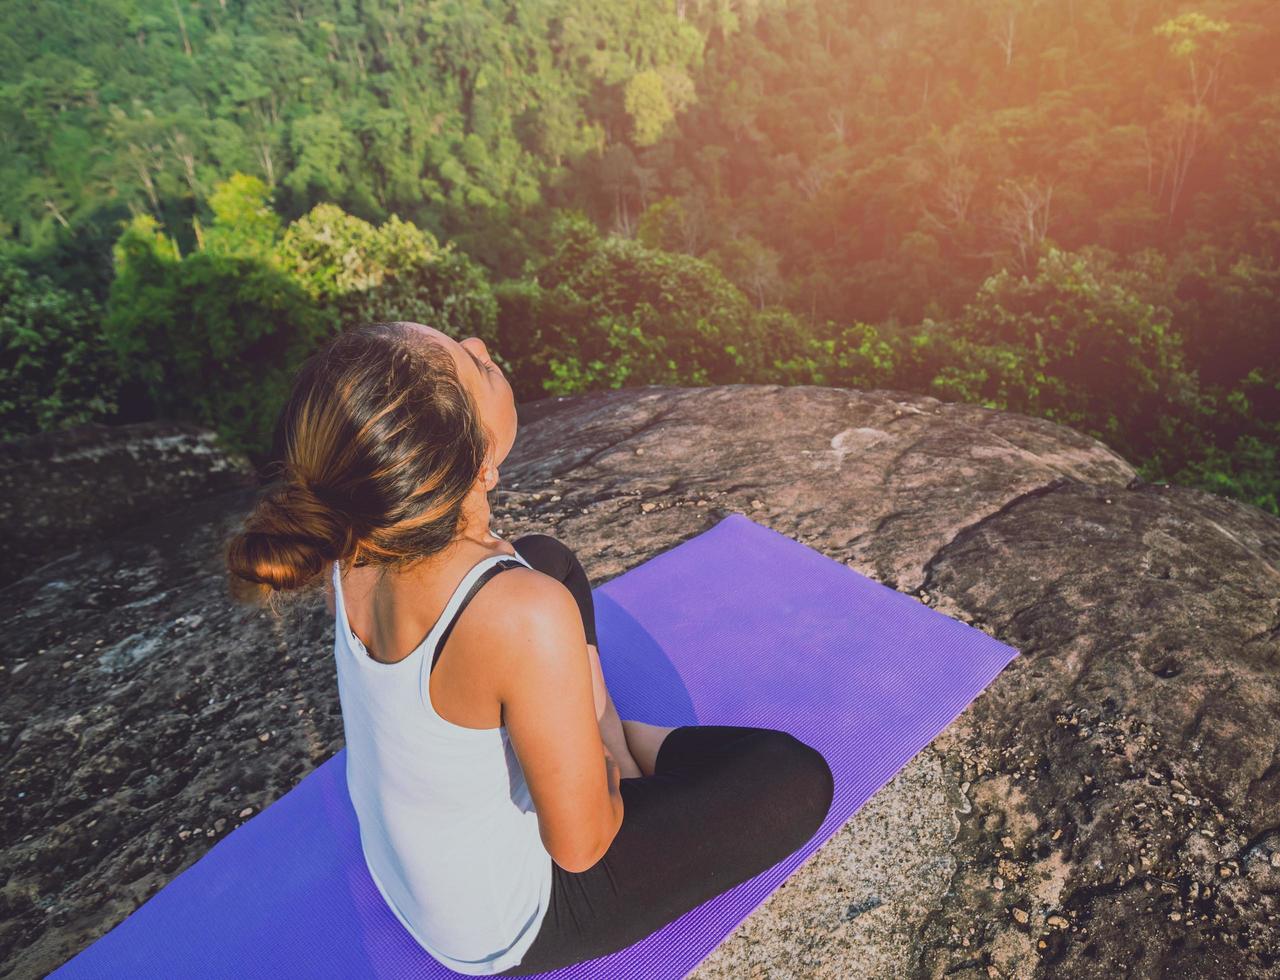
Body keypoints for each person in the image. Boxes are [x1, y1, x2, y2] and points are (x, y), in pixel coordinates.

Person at [225, 321, 834, 975]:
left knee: (549, 559)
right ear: (481, 460)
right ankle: (620, 748)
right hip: (513, 921)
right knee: (795, 777)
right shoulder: (522, 616)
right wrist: (594, 762)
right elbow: (581, 847)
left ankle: (606, 742)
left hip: (410, 874)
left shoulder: (353, 536)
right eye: (475, 366)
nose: (484, 347)